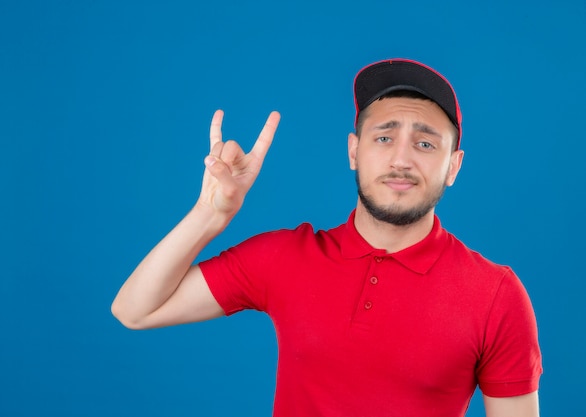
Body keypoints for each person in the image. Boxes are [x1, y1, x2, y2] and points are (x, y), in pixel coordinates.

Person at [111, 58, 542, 417]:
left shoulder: (496, 295)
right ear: (353, 150)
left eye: (426, 145)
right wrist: (210, 213)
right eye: (384, 137)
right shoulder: (286, 257)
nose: (401, 158)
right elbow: (134, 310)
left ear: (454, 166)